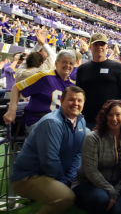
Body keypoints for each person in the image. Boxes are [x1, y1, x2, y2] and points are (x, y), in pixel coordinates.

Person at [10, 86, 87, 214]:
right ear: (61, 101)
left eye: (79, 101)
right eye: (71, 100)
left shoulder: (80, 121)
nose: (76, 104)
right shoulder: (52, 122)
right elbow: (50, 161)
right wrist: (64, 183)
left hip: (52, 175)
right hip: (28, 177)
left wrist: (70, 178)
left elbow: (77, 153)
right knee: (66, 197)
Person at [72, 100, 121, 214]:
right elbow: (90, 171)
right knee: (101, 199)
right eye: (110, 114)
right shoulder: (92, 138)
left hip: (117, 187)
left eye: (118, 115)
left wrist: (115, 192)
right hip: (88, 184)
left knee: (119, 211)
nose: (114, 119)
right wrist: (110, 191)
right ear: (104, 117)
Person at [3, 50, 76, 134]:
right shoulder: (44, 76)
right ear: (56, 63)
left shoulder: (72, 86)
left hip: (59, 124)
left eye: (71, 63)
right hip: (37, 122)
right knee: (56, 133)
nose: (67, 65)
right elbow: (16, 87)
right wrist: (12, 110)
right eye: (64, 62)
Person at [76, 33, 121, 130]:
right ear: (90, 47)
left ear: (106, 47)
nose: (99, 47)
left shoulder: (117, 67)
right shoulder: (82, 69)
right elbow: (78, 94)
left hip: (112, 120)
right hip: (88, 120)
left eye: (102, 44)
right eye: (96, 44)